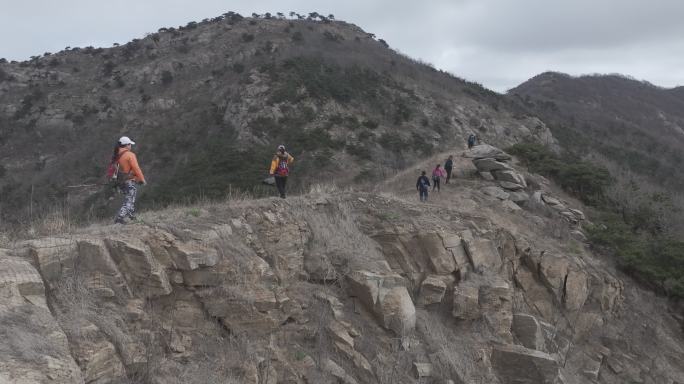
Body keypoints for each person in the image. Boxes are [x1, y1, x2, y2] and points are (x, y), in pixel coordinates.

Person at [112, 136, 146, 224]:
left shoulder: (116, 155)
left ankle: (131, 216)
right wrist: (142, 179)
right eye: (130, 144)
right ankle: (120, 218)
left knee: (130, 197)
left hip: (119, 182)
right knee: (130, 199)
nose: (131, 146)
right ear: (126, 145)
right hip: (128, 181)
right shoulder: (130, 155)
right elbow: (136, 168)